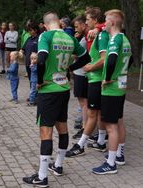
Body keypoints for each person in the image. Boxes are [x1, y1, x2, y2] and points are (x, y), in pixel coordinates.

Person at [22, 12, 91, 187]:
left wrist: (38, 82)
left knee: (45, 132)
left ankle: (42, 176)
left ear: (45, 25)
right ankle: (58, 165)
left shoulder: (46, 35)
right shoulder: (68, 37)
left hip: (49, 90)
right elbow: (86, 58)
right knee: (62, 128)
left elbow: (42, 58)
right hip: (63, 89)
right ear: (58, 23)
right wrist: (69, 69)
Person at [92, 9, 132, 175]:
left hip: (112, 89)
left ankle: (110, 163)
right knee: (119, 120)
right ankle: (119, 156)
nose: (104, 24)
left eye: (106, 21)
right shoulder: (126, 39)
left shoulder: (115, 39)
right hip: (120, 87)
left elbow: (112, 59)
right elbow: (132, 58)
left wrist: (107, 77)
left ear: (113, 22)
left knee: (111, 126)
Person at [66, 7, 109, 158]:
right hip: (95, 78)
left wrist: (90, 67)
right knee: (98, 113)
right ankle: (102, 141)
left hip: (96, 78)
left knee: (92, 113)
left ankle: (80, 146)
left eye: (88, 19)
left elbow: (104, 59)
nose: (85, 22)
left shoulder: (101, 33)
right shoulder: (97, 33)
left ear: (96, 20)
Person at [71, 15, 89, 132]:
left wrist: (70, 68)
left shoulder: (86, 38)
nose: (76, 29)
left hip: (82, 73)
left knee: (84, 103)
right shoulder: (82, 37)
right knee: (82, 102)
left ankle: (85, 128)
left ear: (83, 25)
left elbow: (75, 54)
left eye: (77, 27)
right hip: (80, 72)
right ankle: (85, 126)